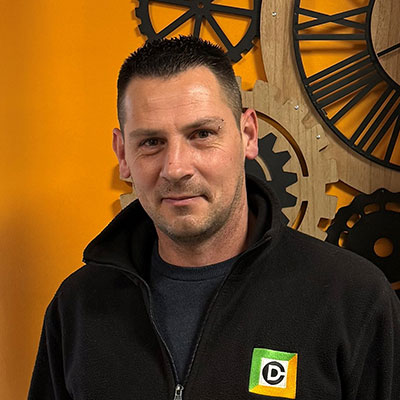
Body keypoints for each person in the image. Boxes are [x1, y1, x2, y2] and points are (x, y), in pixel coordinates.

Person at [28, 36, 400, 400]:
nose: (176, 168)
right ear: (123, 154)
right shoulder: (77, 307)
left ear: (248, 134)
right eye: (151, 142)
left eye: (202, 134)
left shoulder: (354, 298)